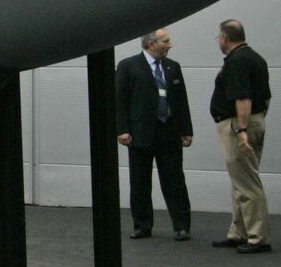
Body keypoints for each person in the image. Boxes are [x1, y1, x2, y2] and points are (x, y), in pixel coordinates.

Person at [115, 29, 194, 240]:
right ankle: (142, 225)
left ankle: (182, 226)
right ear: (151, 44)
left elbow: (181, 100)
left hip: (169, 130)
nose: (170, 44)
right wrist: (122, 130)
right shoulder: (128, 66)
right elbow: (120, 100)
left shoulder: (173, 67)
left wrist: (186, 130)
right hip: (140, 132)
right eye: (166, 41)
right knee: (140, 181)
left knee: (175, 180)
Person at [210, 19, 272, 254]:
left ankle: (258, 237)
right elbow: (265, 98)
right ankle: (239, 232)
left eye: (219, 37)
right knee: (240, 182)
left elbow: (242, 98)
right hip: (254, 121)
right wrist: (257, 122)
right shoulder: (256, 58)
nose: (219, 41)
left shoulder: (236, 62)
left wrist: (242, 130)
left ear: (225, 38)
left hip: (238, 126)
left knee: (247, 183)